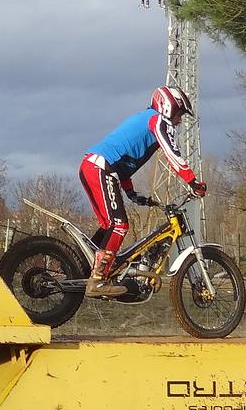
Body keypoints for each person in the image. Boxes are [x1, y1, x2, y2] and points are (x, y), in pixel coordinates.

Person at [80, 86, 206, 297]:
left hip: (94, 166)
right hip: (100, 168)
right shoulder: (158, 121)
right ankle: (98, 280)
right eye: (179, 114)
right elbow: (172, 153)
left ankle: (84, 267)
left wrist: (130, 192)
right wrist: (192, 182)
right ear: (168, 107)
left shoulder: (146, 119)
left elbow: (124, 158)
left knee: (109, 226)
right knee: (119, 225)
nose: (179, 121)